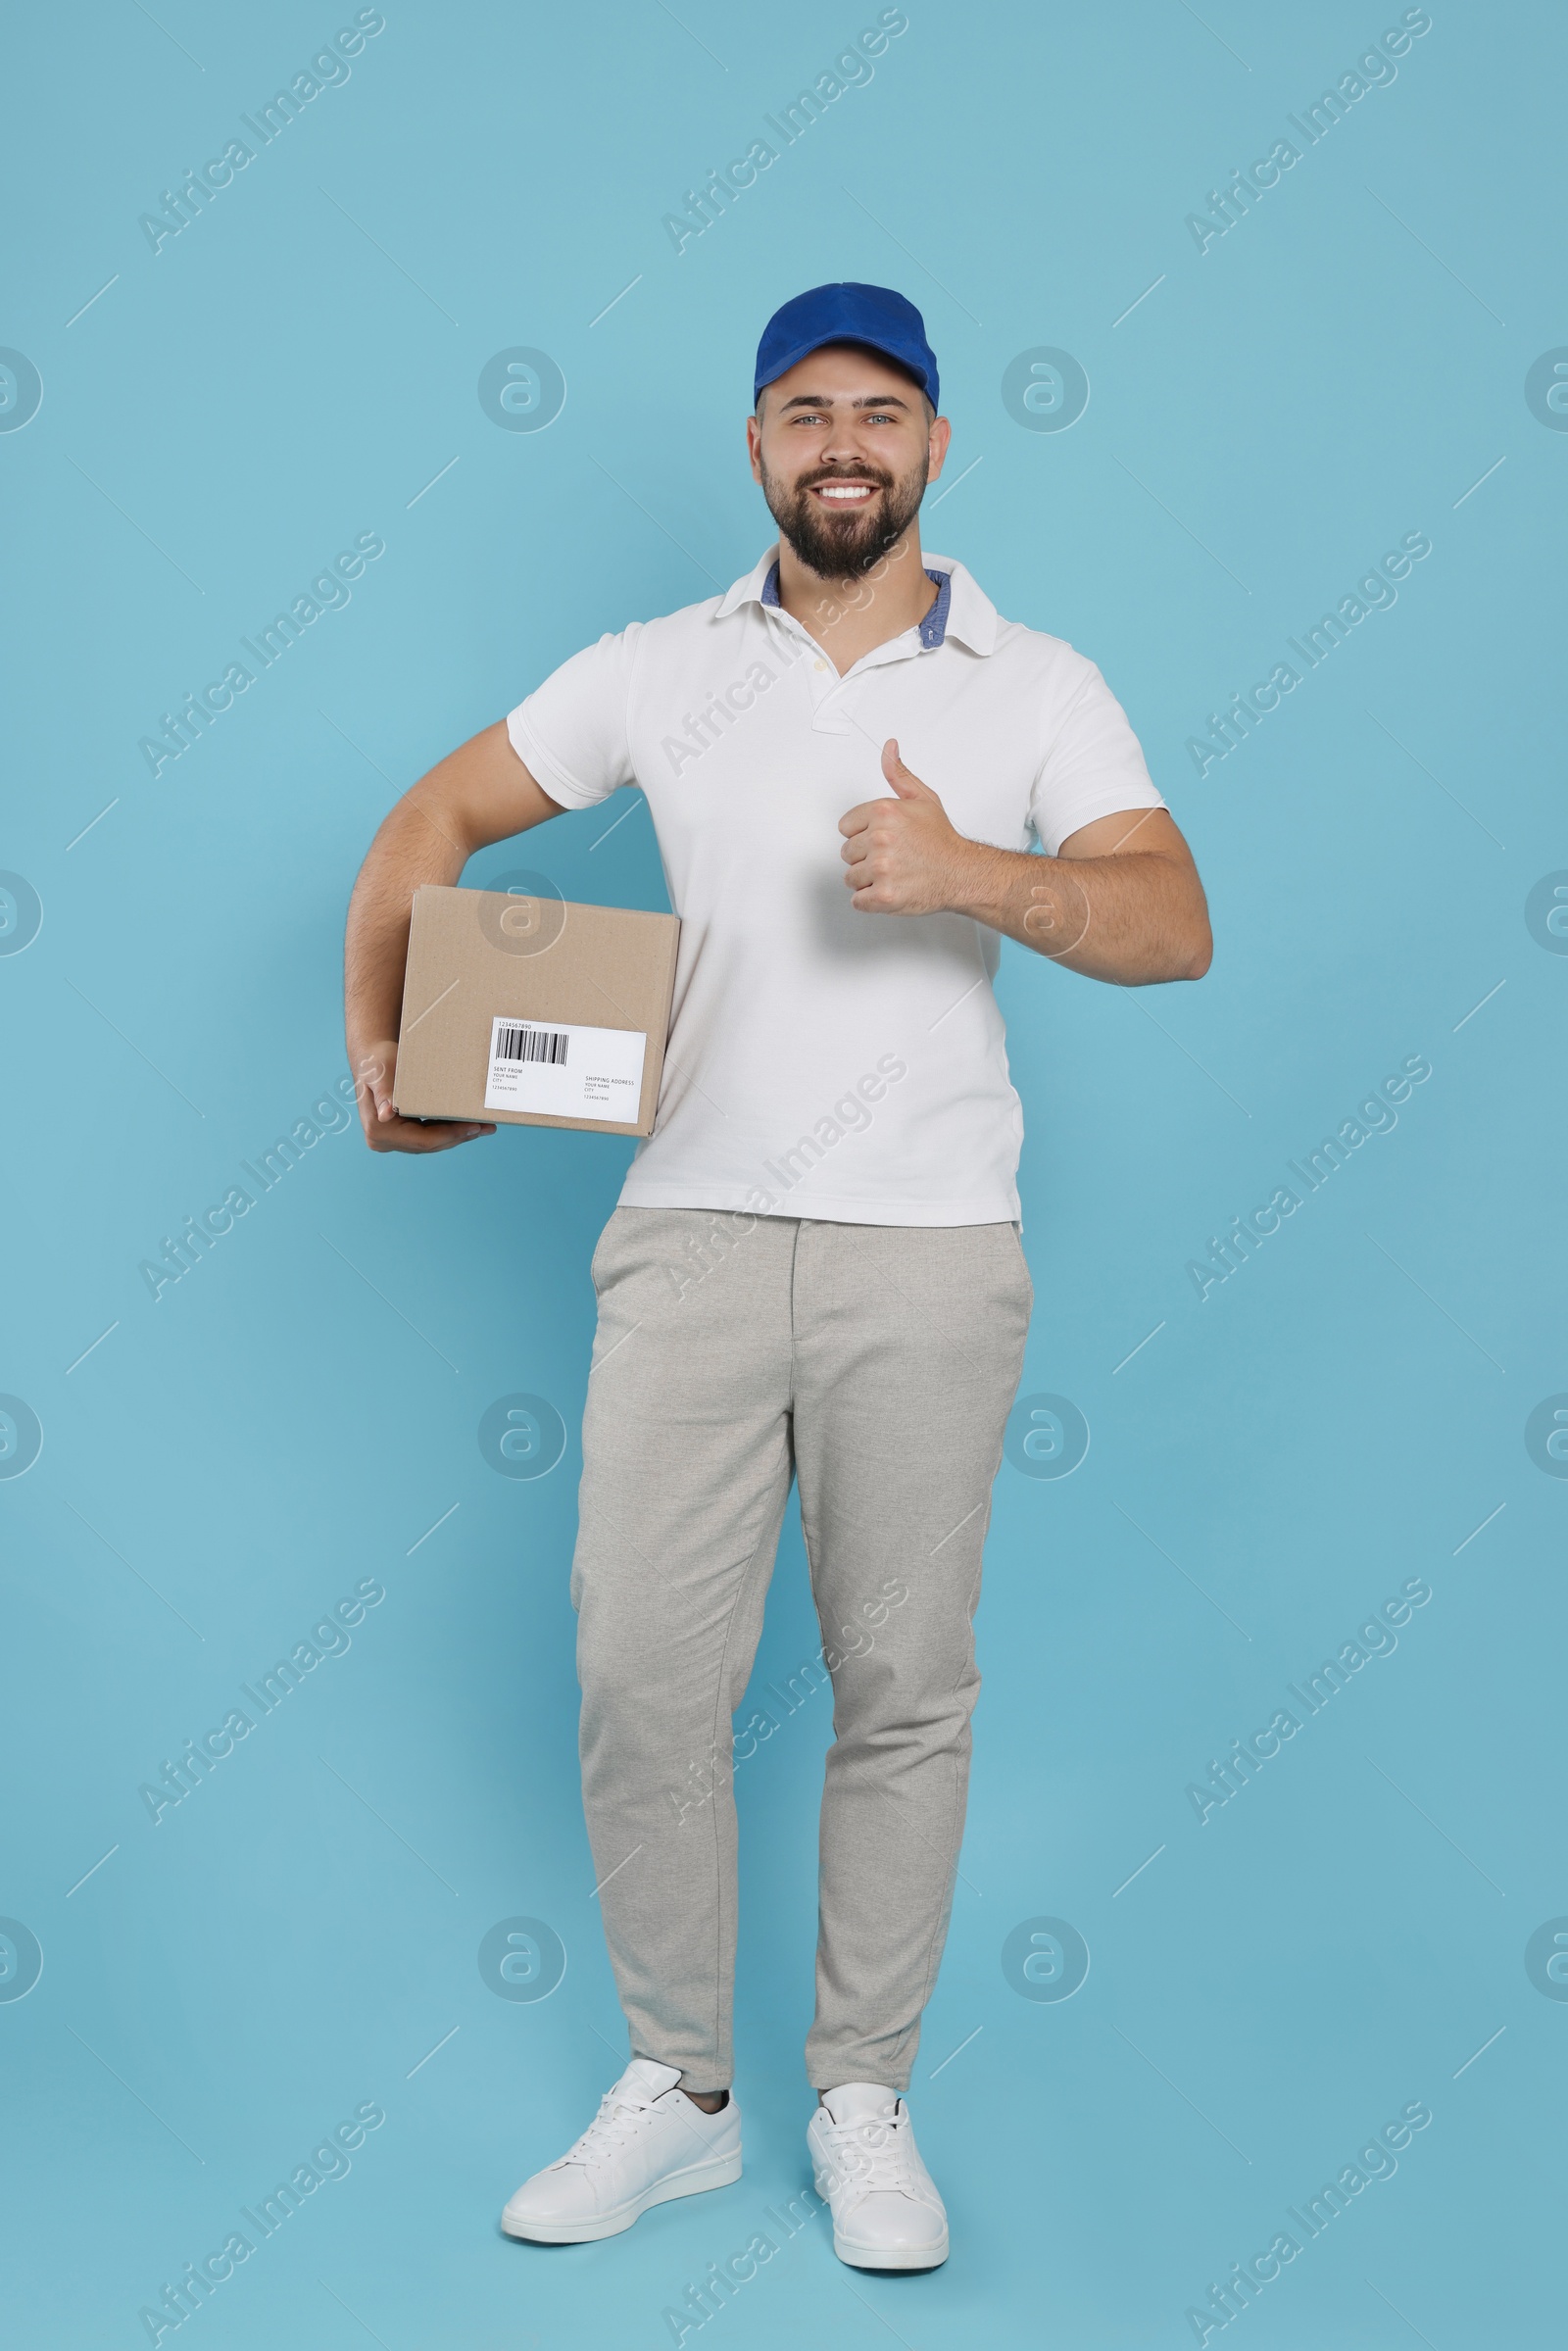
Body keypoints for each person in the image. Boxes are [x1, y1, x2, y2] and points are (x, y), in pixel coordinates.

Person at [343, 282, 1211, 2272]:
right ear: (754, 448)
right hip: (692, 1236)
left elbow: (1170, 924)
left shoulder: (1033, 682)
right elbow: (433, 820)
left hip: (932, 1254)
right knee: (641, 1678)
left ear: (933, 449)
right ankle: (681, 2094)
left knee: (901, 1686)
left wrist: (974, 875)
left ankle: (860, 2097)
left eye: (880, 410)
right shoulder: (656, 670)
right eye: (803, 408)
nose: (843, 440)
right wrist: (381, 1045)